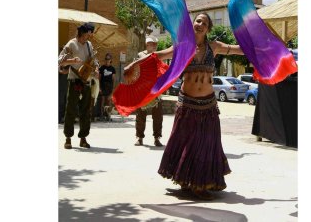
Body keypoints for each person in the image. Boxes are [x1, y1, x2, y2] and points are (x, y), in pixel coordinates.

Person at [124, 13, 245, 200]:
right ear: (192, 24)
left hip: (208, 105)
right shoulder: (183, 47)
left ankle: (200, 183)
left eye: (205, 23)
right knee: (186, 142)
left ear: (208, 28)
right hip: (187, 103)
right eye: (198, 21)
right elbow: (157, 56)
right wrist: (134, 63)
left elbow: (239, 49)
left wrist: (263, 46)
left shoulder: (214, 47)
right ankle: (188, 182)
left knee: (206, 143)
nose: (200, 25)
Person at [58, 22, 99, 149]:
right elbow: (60, 61)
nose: (90, 36)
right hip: (74, 80)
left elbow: (94, 59)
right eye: (89, 33)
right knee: (70, 109)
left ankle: (83, 138)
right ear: (83, 32)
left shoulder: (89, 45)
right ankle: (68, 138)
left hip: (86, 81)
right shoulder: (71, 44)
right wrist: (72, 60)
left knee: (86, 111)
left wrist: (96, 68)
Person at [134, 35, 164, 147]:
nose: (154, 45)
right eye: (152, 43)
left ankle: (157, 138)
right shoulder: (140, 55)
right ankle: (139, 137)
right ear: (147, 44)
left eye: (155, 44)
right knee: (141, 115)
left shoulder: (159, 56)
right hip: (143, 88)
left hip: (156, 88)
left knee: (158, 116)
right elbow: (137, 70)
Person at [99, 53, 116, 121]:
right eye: (106, 59)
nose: (107, 60)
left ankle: (108, 115)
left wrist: (113, 89)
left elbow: (113, 79)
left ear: (110, 60)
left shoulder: (112, 68)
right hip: (103, 86)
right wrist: (99, 87)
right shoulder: (102, 68)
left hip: (109, 86)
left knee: (108, 101)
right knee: (102, 101)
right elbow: (99, 78)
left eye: (108, 59)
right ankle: (101, 115)